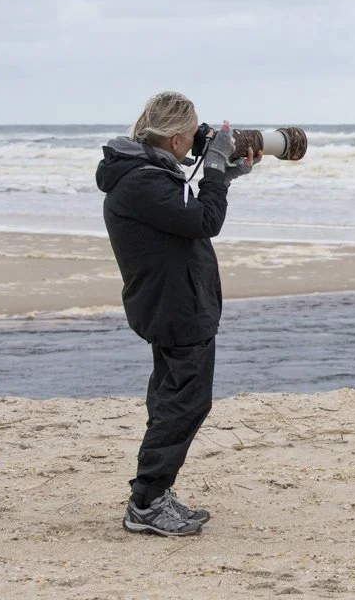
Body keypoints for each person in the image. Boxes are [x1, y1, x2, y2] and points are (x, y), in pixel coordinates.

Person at [95, 91, 262, 537]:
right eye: (190, 137)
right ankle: (147, 502)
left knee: (170, 399)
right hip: (175, 307)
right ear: (172, 141)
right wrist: (216, 175)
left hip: (171, 303)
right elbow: (203, 222)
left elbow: (189, 215)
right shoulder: (142, 182)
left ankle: (154, 495)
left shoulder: (140, 173)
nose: (195, 143)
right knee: (185, 403)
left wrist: (225, 172)